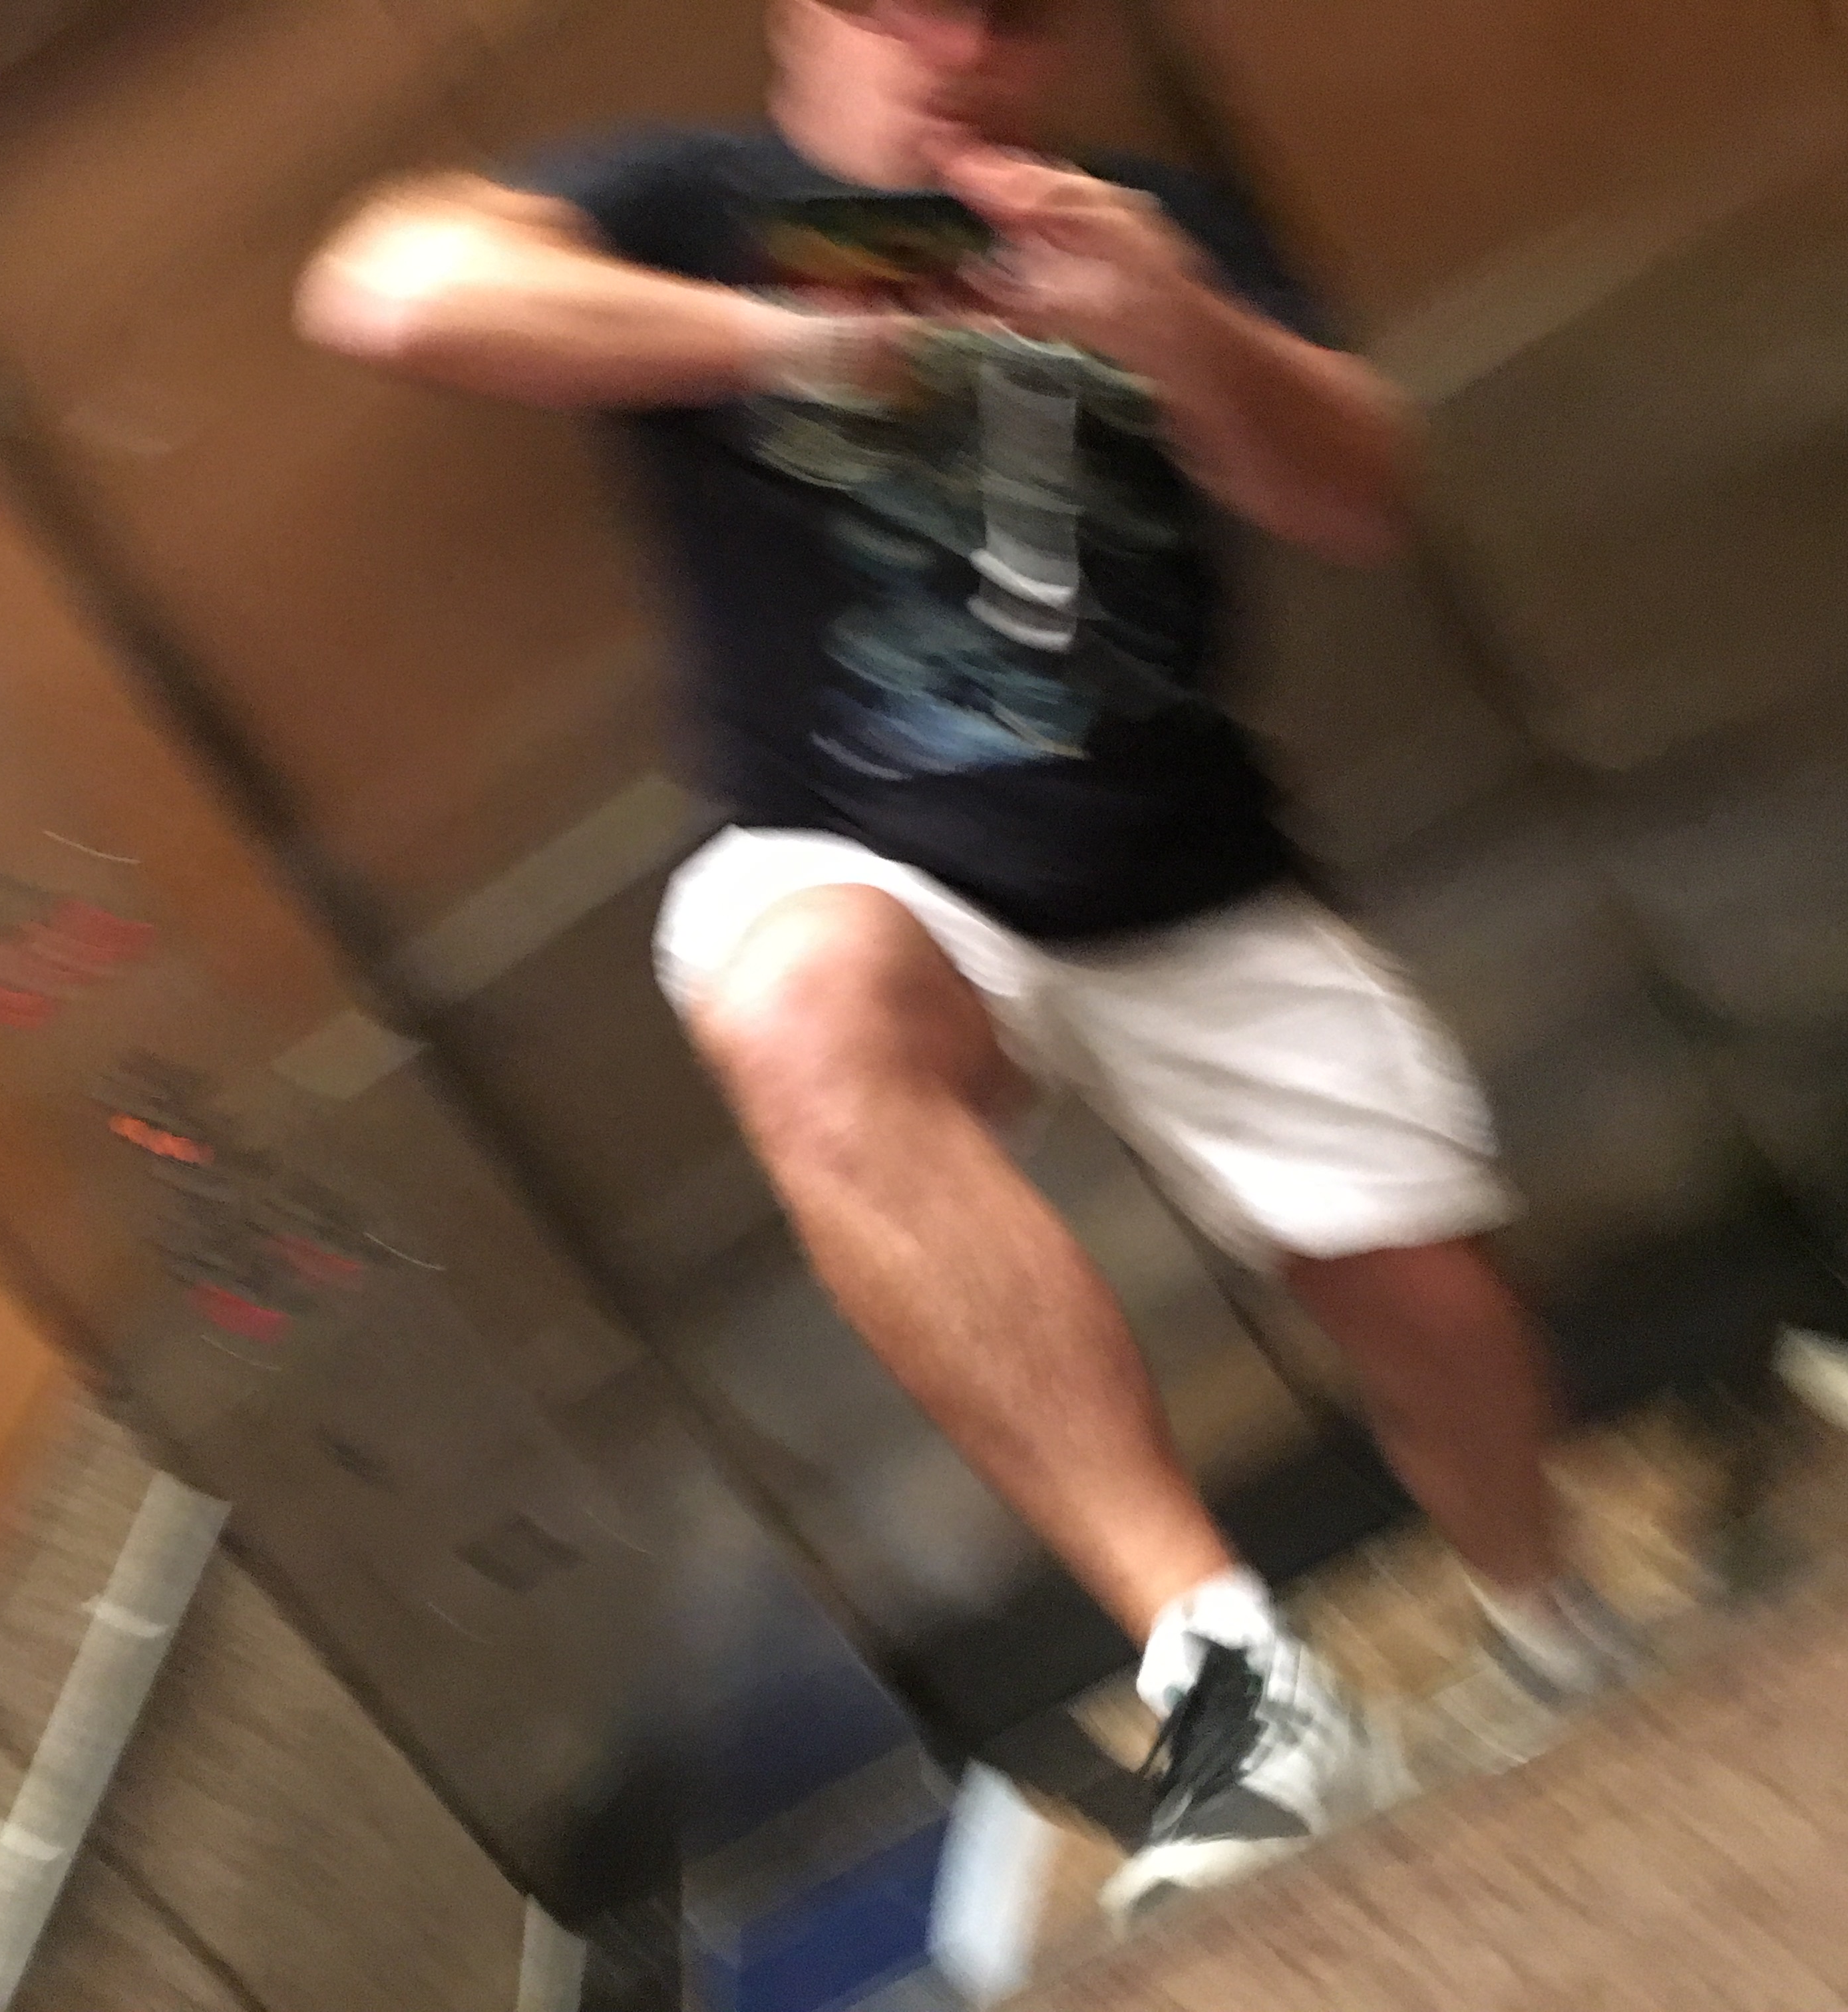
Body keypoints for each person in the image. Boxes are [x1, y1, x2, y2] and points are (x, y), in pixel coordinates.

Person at [297, 0, 1638, 1918]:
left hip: (1193, 879)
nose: (953, 46)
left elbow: (1355, 495)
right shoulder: (684, 199)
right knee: (796, 1003)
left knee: (1427, 1303)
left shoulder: (1151, 223)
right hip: (859, 857)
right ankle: (1230, 1672)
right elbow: (390, 289)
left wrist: (1168, 320)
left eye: (1008, 11)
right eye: (902, 1)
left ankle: (1550, 1620)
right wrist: (806, 336)